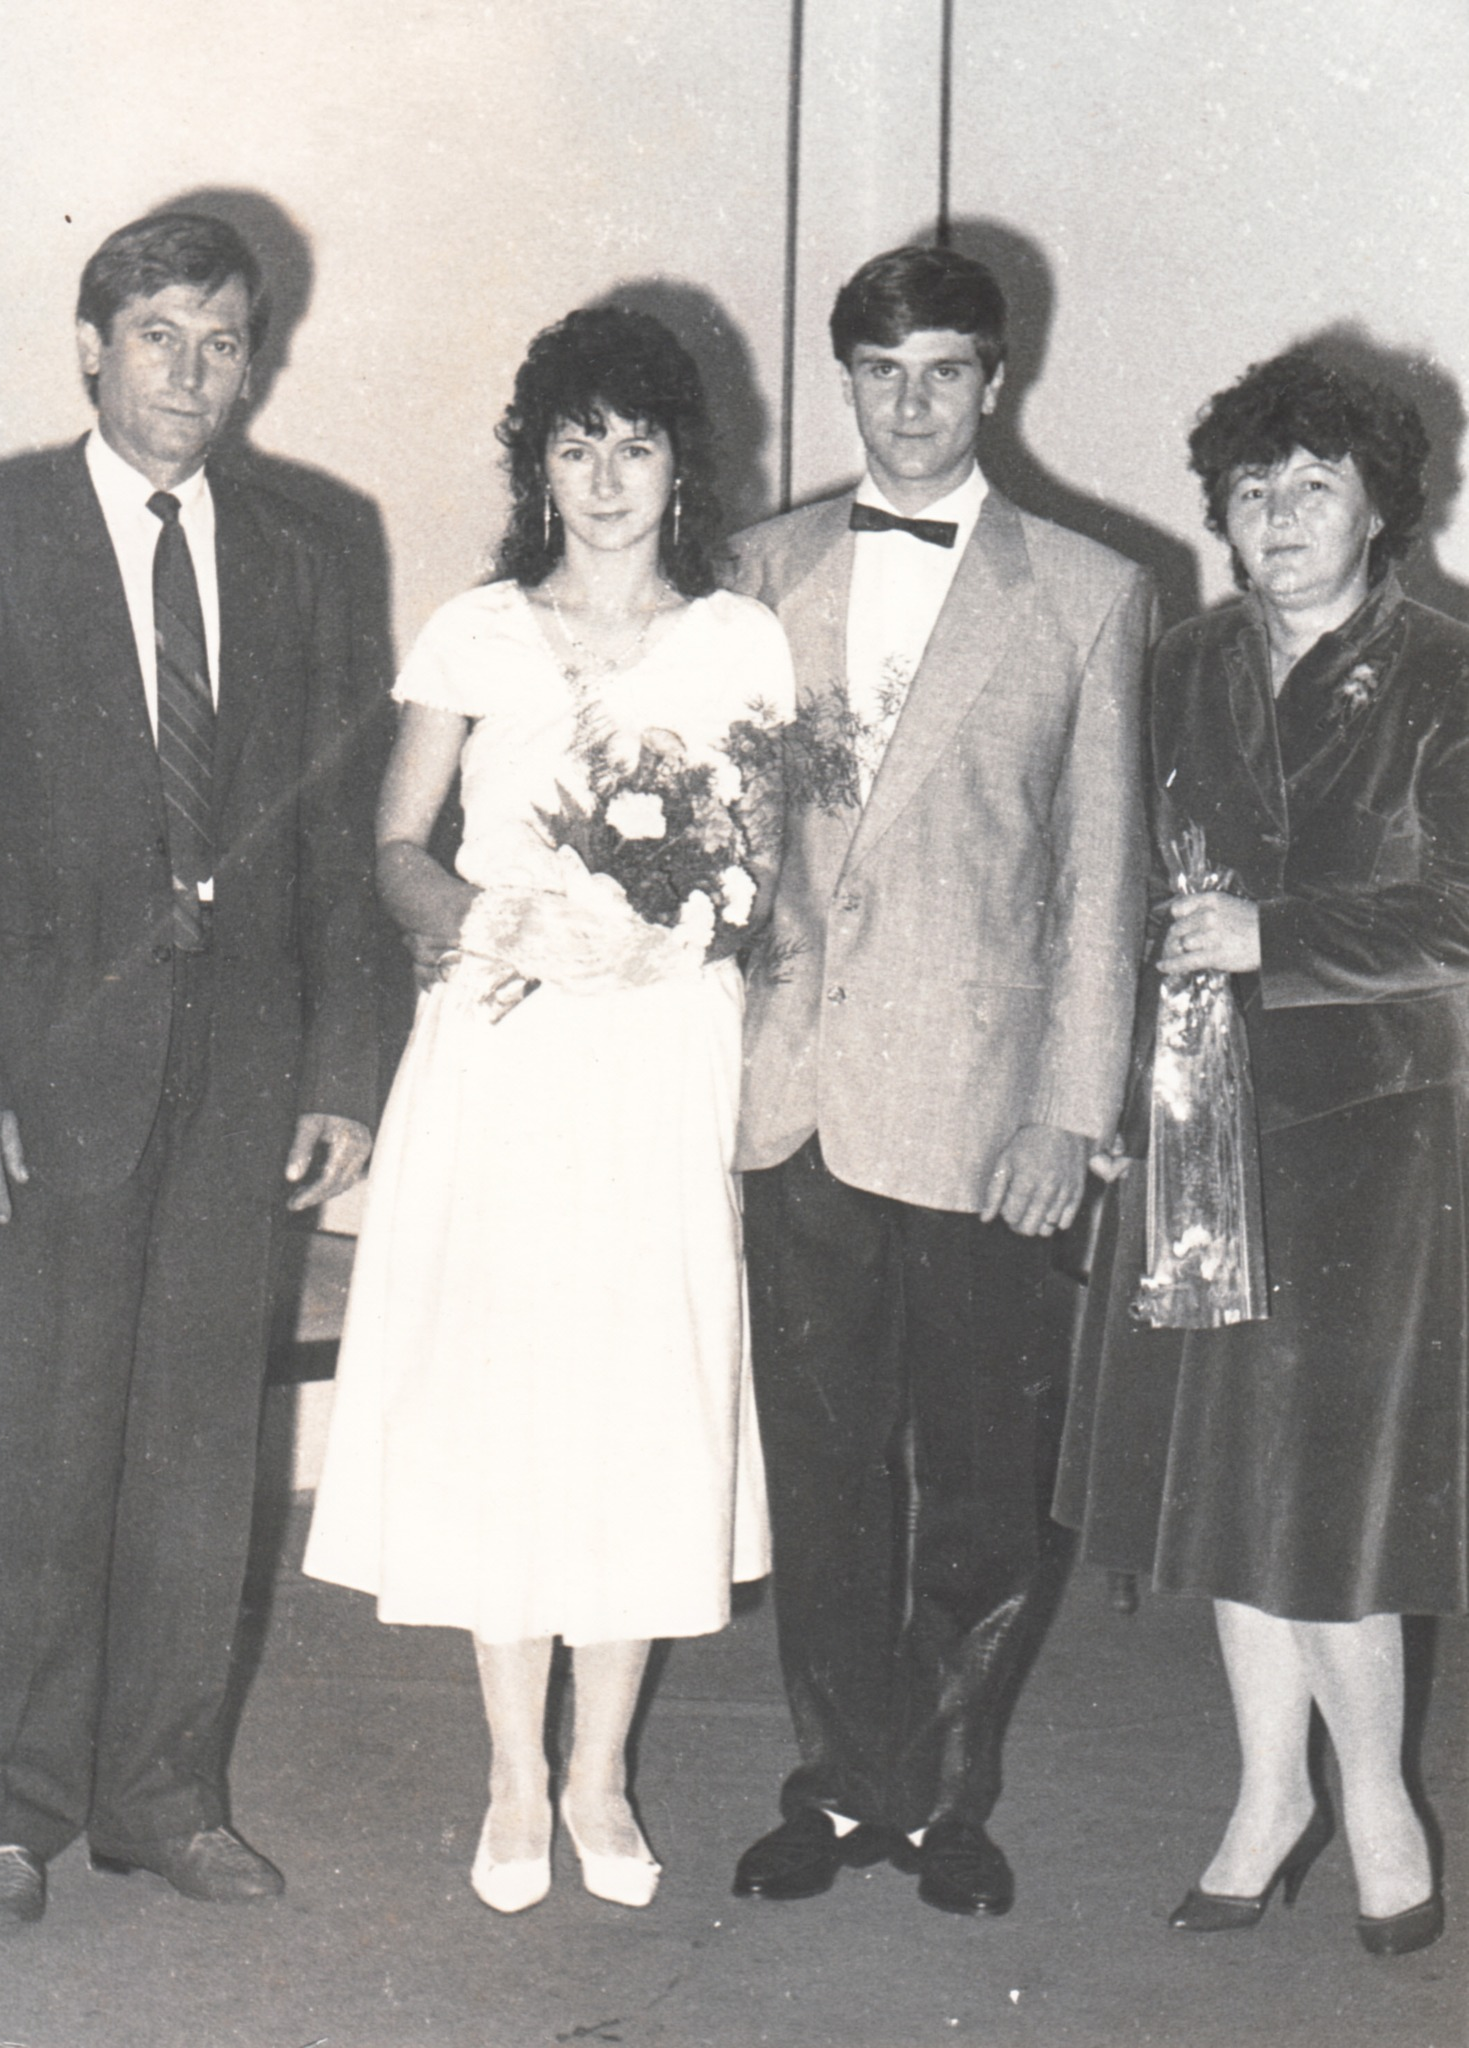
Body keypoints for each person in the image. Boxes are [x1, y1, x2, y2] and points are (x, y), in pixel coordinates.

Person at [302, 307, 795, 1915]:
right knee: (505, 1400)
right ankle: (515, 1772)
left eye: (634, 445)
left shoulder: (739, 640)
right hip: (501, 1054)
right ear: (538, 465)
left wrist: (673, 934)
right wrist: (485, 919)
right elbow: (395, 848)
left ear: (680, 464)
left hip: (656, 1060)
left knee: (639, 1401)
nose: (605, 477)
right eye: (575, 445)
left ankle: (600, 1777)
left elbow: (761, 870)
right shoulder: (475, 630)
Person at [726, 245, 1152, 1916]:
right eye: (882, 373)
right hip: (798, 1095)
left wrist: (1071, 1111)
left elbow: (1103, 883)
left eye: (945, 371)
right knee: (824, 1467)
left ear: (996, 380)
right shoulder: (754, 569)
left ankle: (947, 1795)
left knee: (981, 1477)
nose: (911, 406)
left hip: (989, 1111)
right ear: (848, 380)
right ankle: (842, 1787)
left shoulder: (1091, 591)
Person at [0, 212, 378, 1927]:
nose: (190, 376)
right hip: (49, 1059)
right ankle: (7, 1808)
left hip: (244, 1058)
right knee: (45, 1433)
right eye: (157, 336)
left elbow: (342, 828)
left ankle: (163, 1798)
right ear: (91, 346)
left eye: (221, 344)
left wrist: (342, 1066)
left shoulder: (308, 545)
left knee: (204, 1439)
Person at [1056, 348, 1467, 1957]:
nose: (1280, 516)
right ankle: (1265, 1793)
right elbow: (1121, 889)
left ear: (1378, 507)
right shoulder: (1183, 662)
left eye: (1315, 486)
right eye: (1252, 488)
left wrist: (1271, 937)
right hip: (1197, 1118)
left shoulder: (1446, 673)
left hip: (1378, 1137)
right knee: (1228, 1478)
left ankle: (1378, 1802)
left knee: (1332, 1496)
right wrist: (1110, 1094)